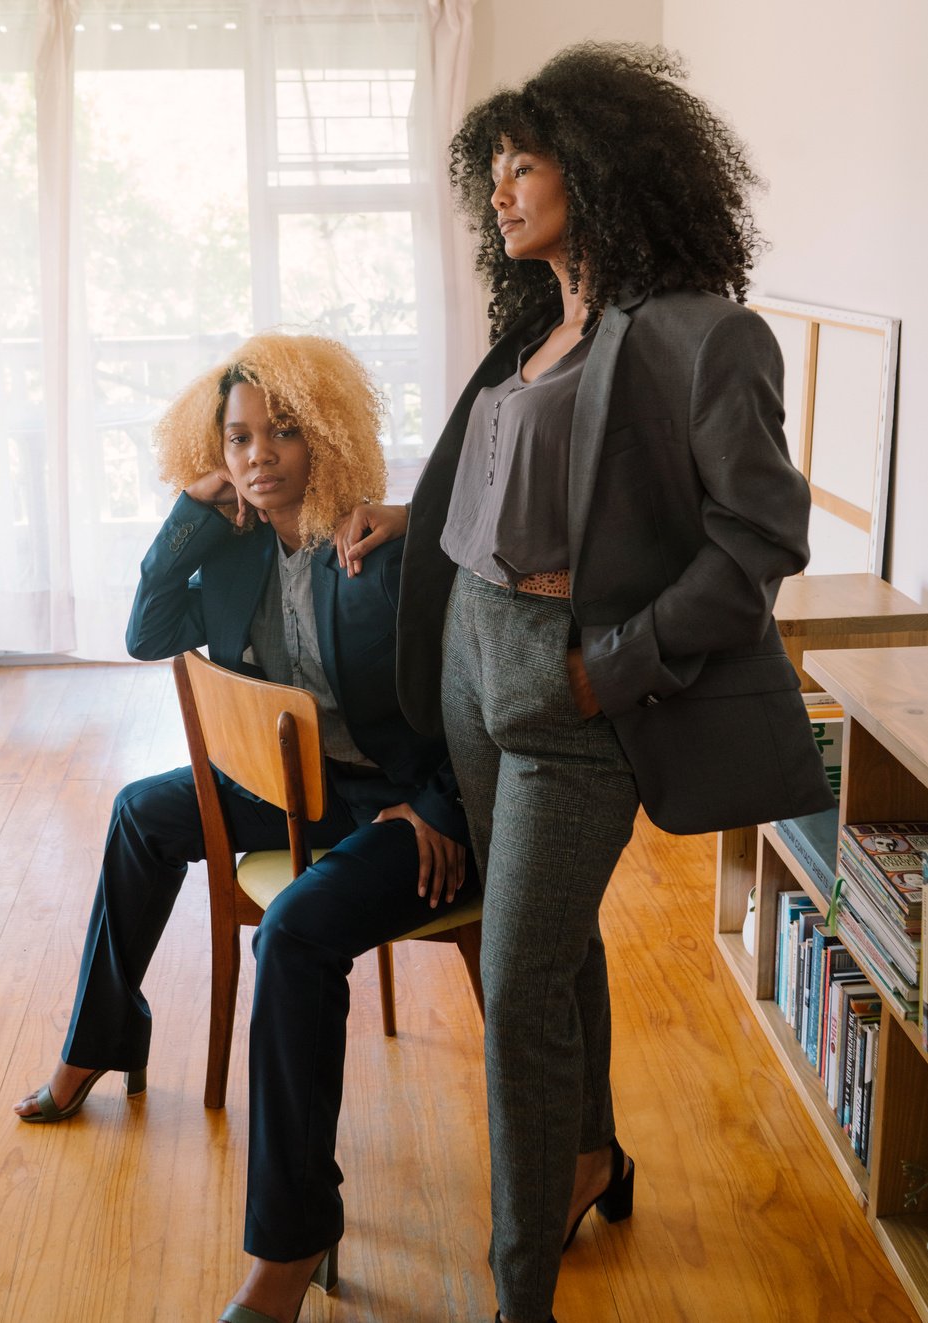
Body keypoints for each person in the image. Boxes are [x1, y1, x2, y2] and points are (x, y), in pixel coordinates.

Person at [341, 42, 837, 1323]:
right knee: (548, 952)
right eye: (490, 173)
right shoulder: (536, 329)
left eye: (522, 168)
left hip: (574, 697)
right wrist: (413, 520)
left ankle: (517, 1292)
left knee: (514, 985)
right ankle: (592, 1155)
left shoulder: (702, 338)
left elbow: (760, 546)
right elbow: (506, 491)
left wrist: (605, 675)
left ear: (601, 171)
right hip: (469, 664)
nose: (498, 193)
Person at [13, 331, 480, 1323]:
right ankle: (105, 1035)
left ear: (329, 435)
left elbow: (470, 697)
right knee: (144, 811)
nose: (259, 455)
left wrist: (436, 805)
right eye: (238, 439)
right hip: (298, 788)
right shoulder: (230, 551)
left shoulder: (376, 545)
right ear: (217, 454)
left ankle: (292, 1236)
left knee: (295, 931)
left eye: (282, 433)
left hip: (403, 800)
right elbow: (144, 634)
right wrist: (189, 514)